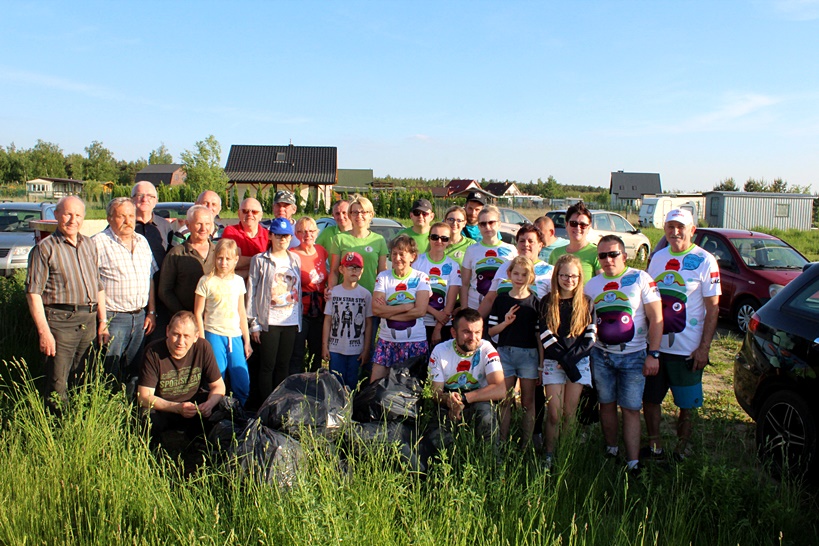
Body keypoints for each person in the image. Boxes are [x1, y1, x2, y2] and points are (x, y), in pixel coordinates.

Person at [644, 208, 720, 461]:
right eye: (670, 227)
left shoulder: (705, 260)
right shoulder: (657, 258)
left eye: (681, 227)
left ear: (692, 230)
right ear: (664, 229)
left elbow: (713, 308)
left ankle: (682, 448)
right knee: (651, 399)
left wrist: (704, 348)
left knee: (687, 404)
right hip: (656, 347)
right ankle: (655, 446)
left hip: (687, 350)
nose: (675, 232)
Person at [584, 235, 663, 473]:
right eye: (602, 255)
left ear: (624, 256)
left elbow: (656, 318)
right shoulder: (592, 285)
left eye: (613, 254)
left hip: (634, 356)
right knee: (606, 404)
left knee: (630, 408)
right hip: (601, 356)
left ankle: (633, 462)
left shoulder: (640, 278)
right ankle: (611, 450)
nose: (608, 260)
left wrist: (654, 353)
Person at [26, 196, 109, 412]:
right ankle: (57, 426)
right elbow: (33, 293)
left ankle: (79, 421)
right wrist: (44, 332)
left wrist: (103, 321)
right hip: (60, 322)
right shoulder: (45, 249)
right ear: (56, 215)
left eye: (78, 215)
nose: (73, 220)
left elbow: (98, 285)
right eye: (67, 214)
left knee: (84, 376)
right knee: (58, 380)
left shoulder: (89, 244)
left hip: (89, 320)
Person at [539, 254, 596, 466]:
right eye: (564, 275)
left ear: (579, 277)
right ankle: (549, 454)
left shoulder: (587, 303)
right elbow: (545, 336)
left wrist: (571, 360)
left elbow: (590, 337)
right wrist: (563, 359)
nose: (569, 280)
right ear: (557, 276)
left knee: (569, 414)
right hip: (554, 362)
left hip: (578, 363)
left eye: (573, 276)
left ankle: (566, 453)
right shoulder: (547, 302)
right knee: (553, 413)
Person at [93, 197, 158, 383]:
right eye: (122, 216)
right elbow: (94, 284)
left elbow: (150, 278)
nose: (128, 221)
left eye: (131, 215)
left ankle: (129, 408)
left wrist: (151, 312)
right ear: (109, 218)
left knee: (134, 370)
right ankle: (108, 408)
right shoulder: (99, 243)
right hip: (114, 317)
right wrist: (102, 320)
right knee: (109, 369)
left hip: (139, 318)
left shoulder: (142, 242)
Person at [137, 311, 226, 443]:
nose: (181, 342)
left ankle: (203, 450)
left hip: (194, 407)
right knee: (147, 416)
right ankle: (152, 454)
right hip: (164, 407)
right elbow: (143, 397)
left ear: (196, 337)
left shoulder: (203, 347)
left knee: (224, 406)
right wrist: (176, 408)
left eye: (186, 336)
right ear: (167, 331)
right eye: (176, 335)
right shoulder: (153, 352)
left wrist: (209, 404)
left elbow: (219, 387)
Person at [428, 308, 506, 444]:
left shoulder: (487, 349)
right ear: (453, 332)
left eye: (477, 332)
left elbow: (501, 389)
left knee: (487, 416)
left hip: (478, 401)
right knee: (436, 440)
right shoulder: (440, 351)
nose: (473, 338)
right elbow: (435, 393)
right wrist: (449, 401)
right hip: (448, 402)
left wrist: (464, 399)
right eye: (466, 332)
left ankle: (491, 460)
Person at [487, 256, 542, 445]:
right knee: (505, 400)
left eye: (524, 274)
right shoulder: (501, 300)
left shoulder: (536, 303)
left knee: (528, 403)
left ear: (531, 277)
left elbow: (539, 336)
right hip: (505, 354)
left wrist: (541, 365)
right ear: (509, 274)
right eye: (516, 273)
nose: (519, 278)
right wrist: (505, 322)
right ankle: (502, 441)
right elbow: (491, 331)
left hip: (529, 356)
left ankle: (526, 444)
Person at [246, 217, 302, 401]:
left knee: (283, 365)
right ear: (270, 236)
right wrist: (253, 323)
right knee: (267, 365)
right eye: (278, 235)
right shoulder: (260, 260)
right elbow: (252, 291)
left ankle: (280, 402)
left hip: (290, 319)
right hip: (269, 321)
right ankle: (265, 404)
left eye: (286, 236)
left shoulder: (295, 259)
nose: (282, 239)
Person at [193, 238, 252, 407]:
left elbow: (242, 312)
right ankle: (216, 413)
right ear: (215, 258)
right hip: (213, 333)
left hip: (234, 335)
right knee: (217, 376)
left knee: (242, 380)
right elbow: (198, 312)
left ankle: (239, 411)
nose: (223, 262)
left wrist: (246, 341)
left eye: (228, 259)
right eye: (220, 258)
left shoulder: (238, 282)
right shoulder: (206, 281)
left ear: (235, 260)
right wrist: (203, 340)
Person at [370, 235, 431, 383]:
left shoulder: (421, 277)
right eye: (394, 253)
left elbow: (420, 311)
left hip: (414, 341)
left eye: (402, 254)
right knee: (375, 384)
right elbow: (376, 310)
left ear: (413, 256)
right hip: (387, 341)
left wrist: (388, 312)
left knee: (412, 386)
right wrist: (405, 307)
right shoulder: (383, 277)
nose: (397, 258)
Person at [478, 223, 553, 322]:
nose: (526, 244)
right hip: (500, 331)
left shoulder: (550, 271)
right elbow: (490, 299)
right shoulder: (505, 266)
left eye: (531, 241)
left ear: (540, 246)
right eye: (522, 241)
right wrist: (474, 322)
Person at [322, 251, 373, 390]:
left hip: (356, 348)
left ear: (362, 271)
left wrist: (366, 349)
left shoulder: (365, 295)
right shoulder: (334, 292)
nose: (354, 270)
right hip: (335, 347)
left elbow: (369, 324)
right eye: (350, 266)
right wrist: (325, 345)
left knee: (352, 382)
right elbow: (328, 319)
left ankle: (351, 409)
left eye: (358, 267)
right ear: (341, 269)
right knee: (336, 383)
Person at [132, 181, 173, 339]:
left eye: (150, 196)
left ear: (155, 201)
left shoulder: (165, 226)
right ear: (132, 199)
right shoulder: (125, 225)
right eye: (140, 195)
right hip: (135, 296)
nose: (144, 199)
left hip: (160, 294)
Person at [412, 222, 462, 348]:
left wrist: (438, 328)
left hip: (443, 324)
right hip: (419, 322)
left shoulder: (453, 266)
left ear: (449, 241)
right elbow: (413, 295)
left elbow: (451, 302)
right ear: (429, 238)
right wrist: (435, 313)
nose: (439, 241)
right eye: (435, 237)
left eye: (444, 238)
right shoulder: (417, 261)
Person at [158, 206, 216, 315]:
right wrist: (184, 314)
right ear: (188, 225)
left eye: (207, 224)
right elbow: (165, 291)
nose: (203, 228)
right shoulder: (176, 254)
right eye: (199, 223)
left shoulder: (219, 253)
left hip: (214, 321)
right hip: (186, 324)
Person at [289, 216, 328, 374]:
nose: (308, 235)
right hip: (300, 310)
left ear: (317, 233)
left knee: (316, 352)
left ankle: (314, 386)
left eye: (311, 231)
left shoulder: (321, 251)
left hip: (319, 309)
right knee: (297, 353)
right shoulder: (292, 254)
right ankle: (295, 386)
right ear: (297, 234)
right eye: (303, 231)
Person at [460, 205, 517, 311]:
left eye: (491, 222)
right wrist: (464, 308)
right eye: (483, 224)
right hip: (475, 306)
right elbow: (464, 284)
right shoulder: (471, 250)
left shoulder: (511, 249)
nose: (487, 227)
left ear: (499, 224)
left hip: (502, 306)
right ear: (478, 226)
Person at [327, 196, 388, 294]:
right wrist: (331, 290)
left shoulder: (379, 240)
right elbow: (334, 271)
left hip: (370, 295)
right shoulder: (339, 239)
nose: (359, 216)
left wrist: (382, 294)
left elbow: (382, 273)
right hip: (345, 296)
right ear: (350, 215)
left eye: (363, 212)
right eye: (355, 212)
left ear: (371, 215)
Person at [549, 201, 601, 284]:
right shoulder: (555, 253)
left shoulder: (597, 253)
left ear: (589, 227)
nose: (578, 228)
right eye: (573, 223)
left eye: (583, 225)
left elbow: (602, 285)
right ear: (566, 225)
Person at [222, 198, 268, 279]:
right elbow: (232, 262)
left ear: (261, 216)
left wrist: (244, 267)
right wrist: (260, 261)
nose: (250, 214)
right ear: (239, 214)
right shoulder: (230, 231)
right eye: (245, 211)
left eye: (254, 212)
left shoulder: (268, 235)